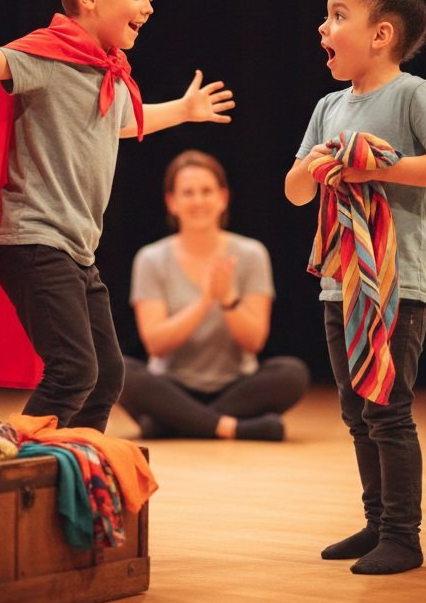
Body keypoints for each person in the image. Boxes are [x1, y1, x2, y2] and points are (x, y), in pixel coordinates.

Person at [0, 0, 235, 433]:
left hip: (75, 248)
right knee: (73, 371)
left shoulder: (105, 73)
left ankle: (77, 473)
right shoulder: (44, 59)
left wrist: (183, 109)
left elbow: (125, 123)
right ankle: (7, 463)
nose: (148, 7)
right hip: (32, 237)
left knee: (107, 375)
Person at [284, 0, 426, 575]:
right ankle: (375, 522)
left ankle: (404, 536)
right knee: (355, 408)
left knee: (388, 406)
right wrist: (317, 167)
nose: (323, 29)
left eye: (338, 16)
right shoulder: (329, 108)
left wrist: (375, 166)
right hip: (341, 281)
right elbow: (295, 189)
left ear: (381, 34)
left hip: (398, 282)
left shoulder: (415, 94)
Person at [120, 149, 310, 441]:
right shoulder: (151, 258)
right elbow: (155, 344)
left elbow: (254, 340)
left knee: (292, 373)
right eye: (188, 193)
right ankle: (229, 427)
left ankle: (172, 423)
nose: (198, 201)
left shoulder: (251, 254)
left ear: (223, 198)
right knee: (120, 371)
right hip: (170, 385)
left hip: (236, 385)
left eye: (207, 191)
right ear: (172, 202)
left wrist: (227, 299)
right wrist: (205, 300)